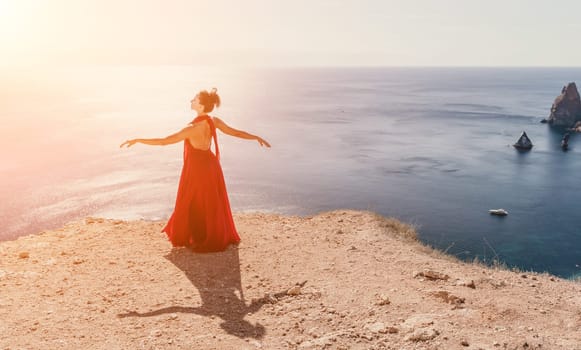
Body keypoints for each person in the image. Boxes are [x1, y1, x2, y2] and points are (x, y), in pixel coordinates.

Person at [120, 88, 270, 252]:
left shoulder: (191, 128)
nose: (190, 100)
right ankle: (211, 234)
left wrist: (139, 140)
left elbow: (164, 141)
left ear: (201, 105)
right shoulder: (214, 121)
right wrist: (255, 137)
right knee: (210, 202)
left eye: (194, 99)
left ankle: (200, 237)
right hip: (212, 166)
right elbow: (236, 132)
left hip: (197, 169)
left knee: (194, 201)